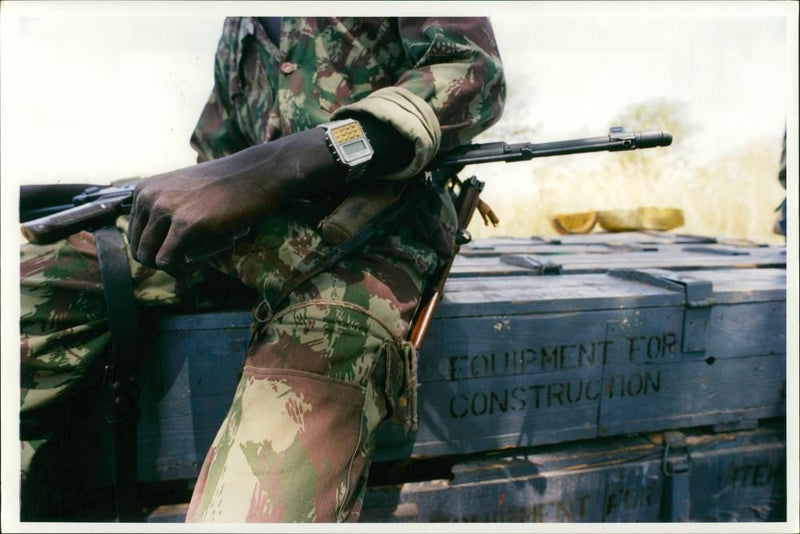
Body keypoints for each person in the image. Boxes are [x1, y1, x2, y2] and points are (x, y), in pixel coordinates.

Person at [20, 16, 505, 522]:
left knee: (259, 502)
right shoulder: (242, 29)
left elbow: (471, 72)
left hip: (371, 243)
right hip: (245, 234)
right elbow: (218, 152)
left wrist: (283, 165)